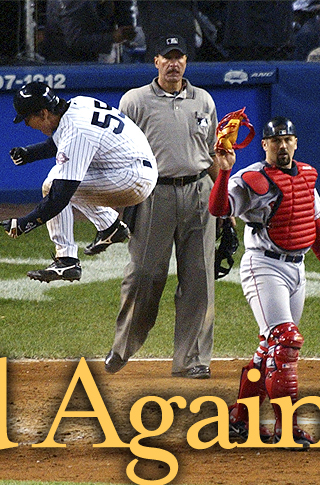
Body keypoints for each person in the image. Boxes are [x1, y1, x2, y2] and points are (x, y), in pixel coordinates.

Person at [209, 116, 320, 448]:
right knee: (286, 341)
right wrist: (225, 169)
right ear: (265, 145)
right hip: (263, 267)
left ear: (295, 143)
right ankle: (287, 428)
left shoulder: (306, 177)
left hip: (296, 271)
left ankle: (240, 418)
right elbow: (218, 208)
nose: (282, 145)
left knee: (269, 348)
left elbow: (312, 228)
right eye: (275, 141)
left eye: (287, 139)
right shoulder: (252, 178)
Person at [105, 35, 217, 379]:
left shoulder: (204, 101)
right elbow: (117, 154)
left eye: (179, 57)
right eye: (167, 57)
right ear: (155, 61)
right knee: (144, 276)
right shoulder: (134, 102)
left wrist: (222, 202)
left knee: (200, 281)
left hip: (200, 193)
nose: (173, 64)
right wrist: (116, 213)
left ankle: (192, 359)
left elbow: (213, 155)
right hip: (153, 195)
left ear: (186, 62)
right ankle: (122, 347)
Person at [0, 80, 157, 283]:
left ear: (43, 113)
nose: (27, 124)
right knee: (65, 178)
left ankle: (66, 261)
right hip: (132, 168)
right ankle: (110, 226)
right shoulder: (79, 104)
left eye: (27, 119)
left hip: (130, 177)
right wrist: (30, 153)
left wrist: (24, 223)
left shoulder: (77, 131)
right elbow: (59, 143)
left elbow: (59, 196)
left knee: (54, 184)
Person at [39, 0, 135, 63]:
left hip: (87, 58)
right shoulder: (75, 3)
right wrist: (112, 37)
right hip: (68, 65)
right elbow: (76, 40)